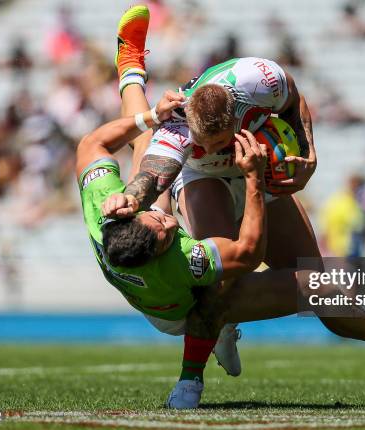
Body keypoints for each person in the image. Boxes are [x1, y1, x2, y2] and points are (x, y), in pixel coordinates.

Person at [76, 97, 365, 409]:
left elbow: (93, 143)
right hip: (180, 304)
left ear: (124, 215)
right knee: (240, 291)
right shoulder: (183, 261)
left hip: (176, 222)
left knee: (146, 147)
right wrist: (251, 180)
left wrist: (144, 102)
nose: (172, 223)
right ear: (163, 252)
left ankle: (130, 62)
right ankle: (193, 375)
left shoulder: (103, 209)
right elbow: (247, 253)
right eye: (166, 232)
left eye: (156, 220)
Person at [105, 4, 322, 376]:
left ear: (235, 115)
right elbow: (155, 174)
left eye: (215, 140)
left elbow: (292, 98)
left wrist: (307, 153)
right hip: (199, 180)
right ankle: (198, 365)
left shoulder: (258, 78)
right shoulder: (179, 130)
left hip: (245, 163)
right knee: (221, 278)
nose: (207, 146)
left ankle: (129, 66)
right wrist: (136, 197)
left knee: (312, 276)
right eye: (199, 140)